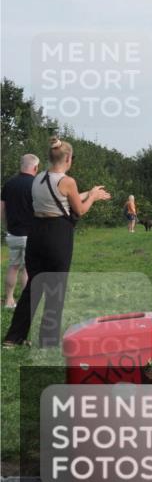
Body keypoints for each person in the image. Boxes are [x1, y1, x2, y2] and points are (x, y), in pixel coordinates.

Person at [3, 137, 111, 348]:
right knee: (55, 288)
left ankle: (13, 337)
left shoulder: (38, 178)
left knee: (33, 287)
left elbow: (58, 200)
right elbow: (78, 210)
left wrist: (88, 193)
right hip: (57, 235)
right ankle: (48, 339)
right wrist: (94, 197)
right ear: (68, 158)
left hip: (36, 233)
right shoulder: (67, 181)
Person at [2, 154, 40, 309]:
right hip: (30, 235)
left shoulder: (9, 184)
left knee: (13, 267)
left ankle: (8, 301)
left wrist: (7, 227)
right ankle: (25, 304)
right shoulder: (36, 184)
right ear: (35, 167)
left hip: (13, 234)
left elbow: (1, 210)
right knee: (27, 269)